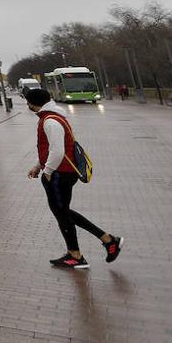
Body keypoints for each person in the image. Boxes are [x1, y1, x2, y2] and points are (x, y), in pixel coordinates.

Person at [25, 87, 122, 269]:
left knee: (62, 213)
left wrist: (47, 171)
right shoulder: (55, 117)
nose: (28, 106)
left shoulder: (50, 121)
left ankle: (80, 253)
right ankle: (102, 242)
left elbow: (57, 150)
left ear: (33, 103)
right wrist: (38, 166)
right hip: (62, 172)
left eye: (28, 103)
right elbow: (50, 148)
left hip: (59, 174)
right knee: (63, 213)